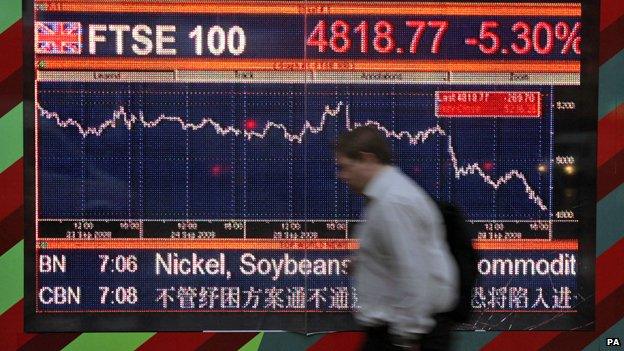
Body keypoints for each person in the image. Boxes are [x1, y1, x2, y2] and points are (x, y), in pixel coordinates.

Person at [335, 126, 459, 350]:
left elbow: (414, 270)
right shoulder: (385, 197)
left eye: (345, 167)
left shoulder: (393, 203)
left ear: (367, 159)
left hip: (402, 336)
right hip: (396, 332)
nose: (342, 176)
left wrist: (408, 338)